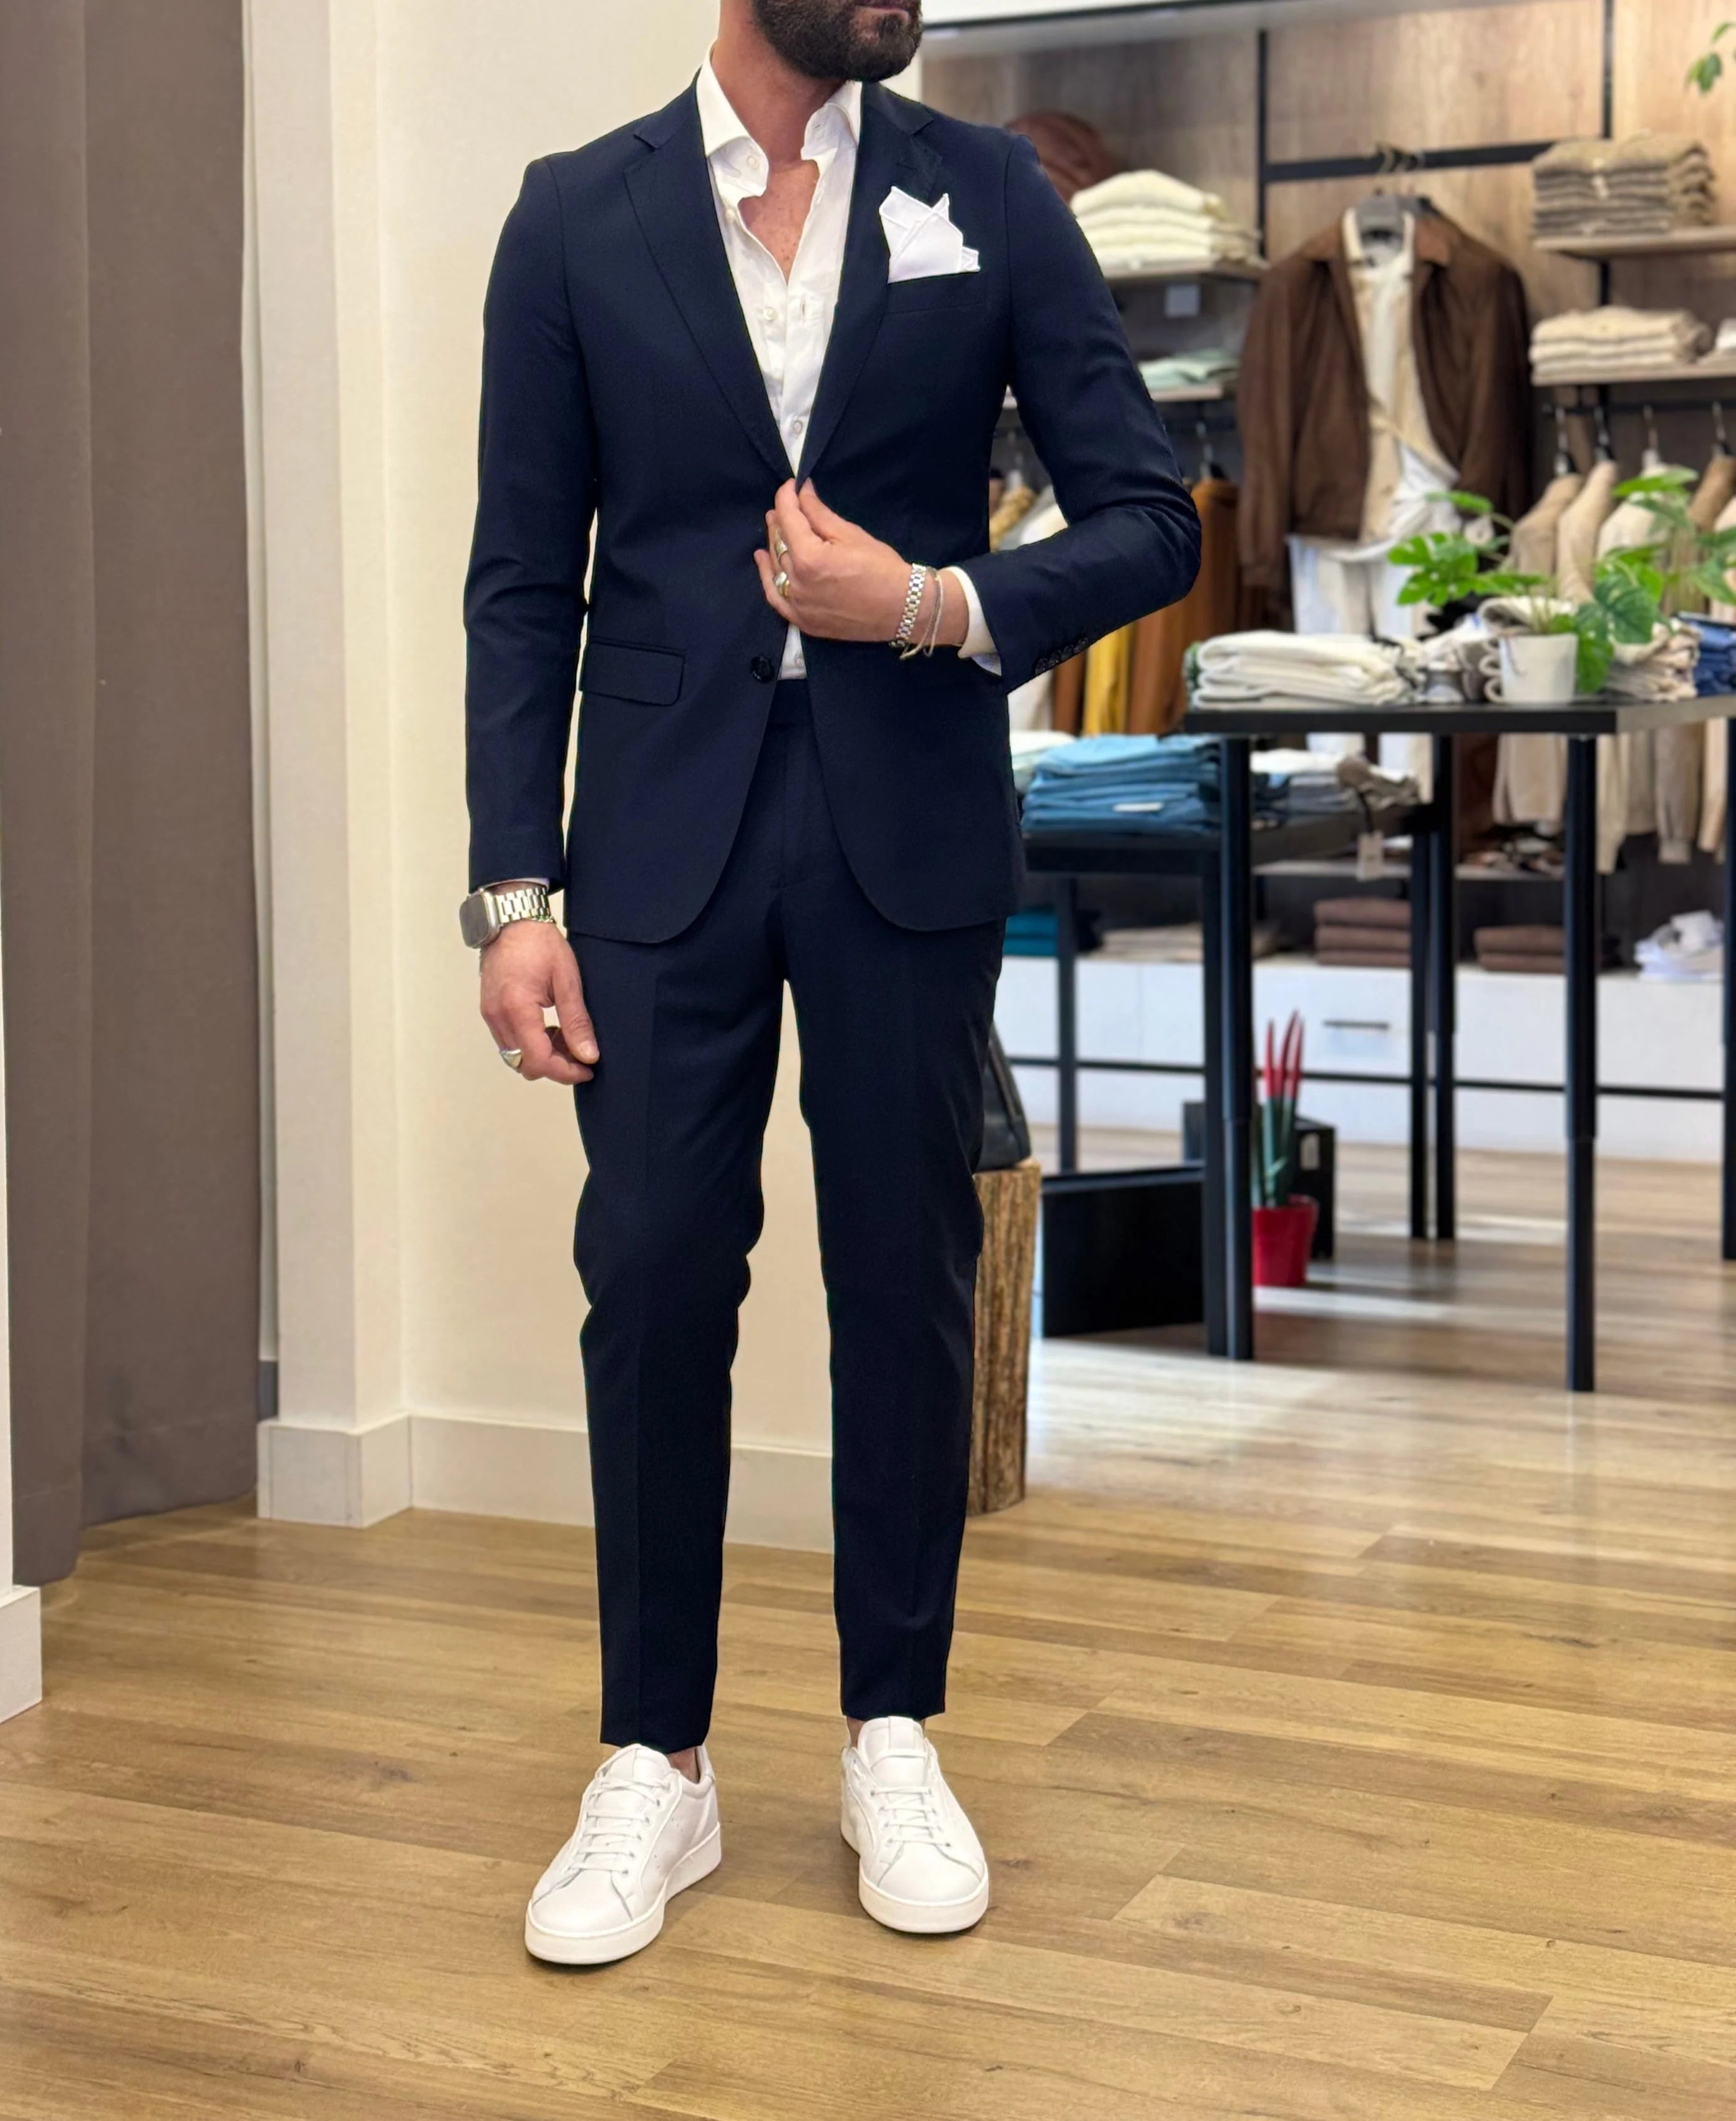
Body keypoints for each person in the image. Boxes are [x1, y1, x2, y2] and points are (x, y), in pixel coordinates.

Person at [462, 0, 1199, 1967]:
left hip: (910, 825)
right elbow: (525, 582)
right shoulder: (574, 218)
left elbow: (1152, 518)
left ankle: (894, 1732)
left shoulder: (992, 198)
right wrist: (513, 893)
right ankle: (657, 1759)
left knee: (904, 1277)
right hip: (655, 841)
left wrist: (939, 604)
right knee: (653, 1275)